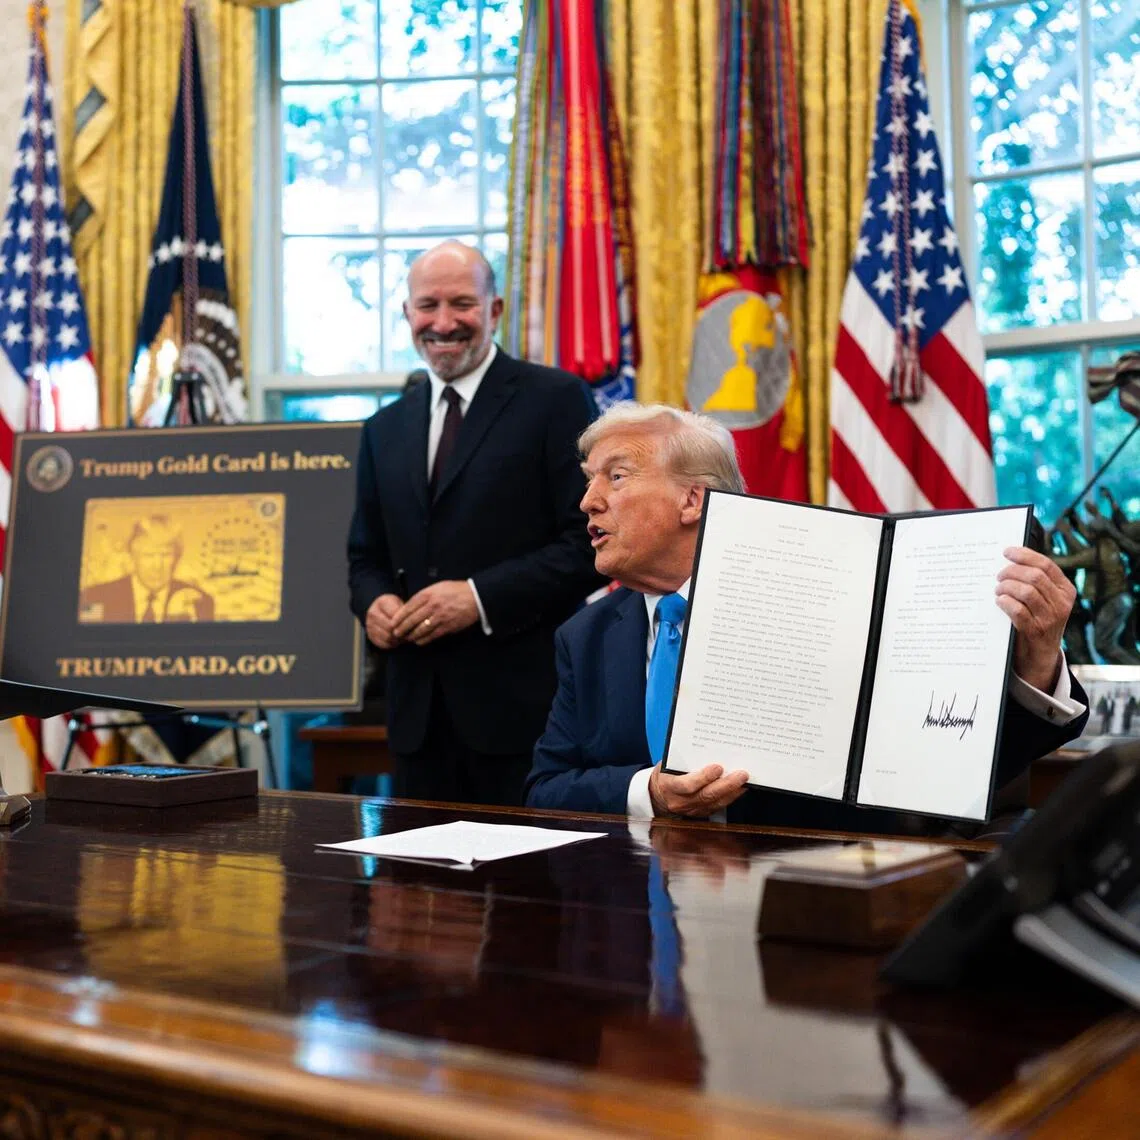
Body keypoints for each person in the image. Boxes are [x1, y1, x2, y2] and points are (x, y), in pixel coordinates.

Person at [525, 403, 1089, 831]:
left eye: (615, 477)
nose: (588, 502)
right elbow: (545, 790)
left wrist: (1038, 657)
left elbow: (948, 767)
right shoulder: (587, 635)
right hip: (628, 925)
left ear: (692, 501)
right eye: (589, 480)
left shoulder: (824, 606)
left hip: (805, 908)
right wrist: (649, 792)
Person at [347, 240, 603, 807]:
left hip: (526, 714)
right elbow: (363, 557)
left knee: (531, 890)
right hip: (416, 719)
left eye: (461, 303)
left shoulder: (555, 399)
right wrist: (374, 605)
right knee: (422, 888)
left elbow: (589, 546)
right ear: (408, 314)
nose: (443, 322)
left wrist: (477, 598)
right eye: (427, 305)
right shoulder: (382, 428)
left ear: (495, 310)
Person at [78, 515, 214, 624]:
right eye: (148, 555)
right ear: (132, 557)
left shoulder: (200, 601)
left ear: (177, 558)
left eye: (166, 555)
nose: (157, 565)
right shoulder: (94, 597)